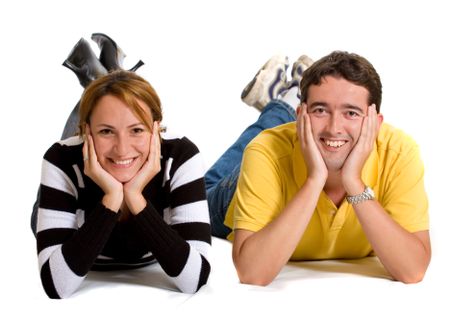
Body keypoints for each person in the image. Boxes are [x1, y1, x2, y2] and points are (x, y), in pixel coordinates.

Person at [205, 51, 431, 286]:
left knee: (280, 139)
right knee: (196, 195)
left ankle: (290, 99)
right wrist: (315, 180)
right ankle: (286, 104)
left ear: (375, 123)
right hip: (240, 191)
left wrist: (353, 182)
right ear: (301, 116)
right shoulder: (266, 152)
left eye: (351, 113)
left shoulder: (399, 153)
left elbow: (413, 271)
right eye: (320, 110)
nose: (334, 128)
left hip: (296, 145)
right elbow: (252, 274)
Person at [33, 35, 211, 298]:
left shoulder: (181, 157)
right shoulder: (60, 159)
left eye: (137, 130)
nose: (123, 149)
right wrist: (112, 198)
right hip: (72, 188)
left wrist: (135, 197)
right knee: (88, 125)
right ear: (87, 134)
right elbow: (56, 286)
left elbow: (195, 278)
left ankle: (103, 78)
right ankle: (104, 79)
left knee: (108, 107)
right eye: (106, 132)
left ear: (156, 130)